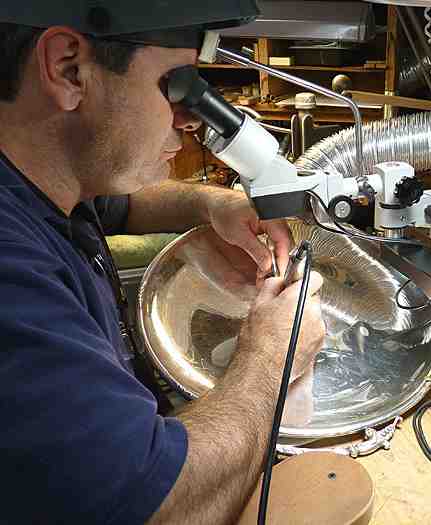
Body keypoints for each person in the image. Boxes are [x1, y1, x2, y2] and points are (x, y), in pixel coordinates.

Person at [0, 3, 326, 523]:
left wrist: (213, 204)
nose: (191, 118)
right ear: (67, 68)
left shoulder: (42, 176)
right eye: (175, 85)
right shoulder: (12, 277)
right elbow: (161, 509)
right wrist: (273, 355)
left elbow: (121, 204)